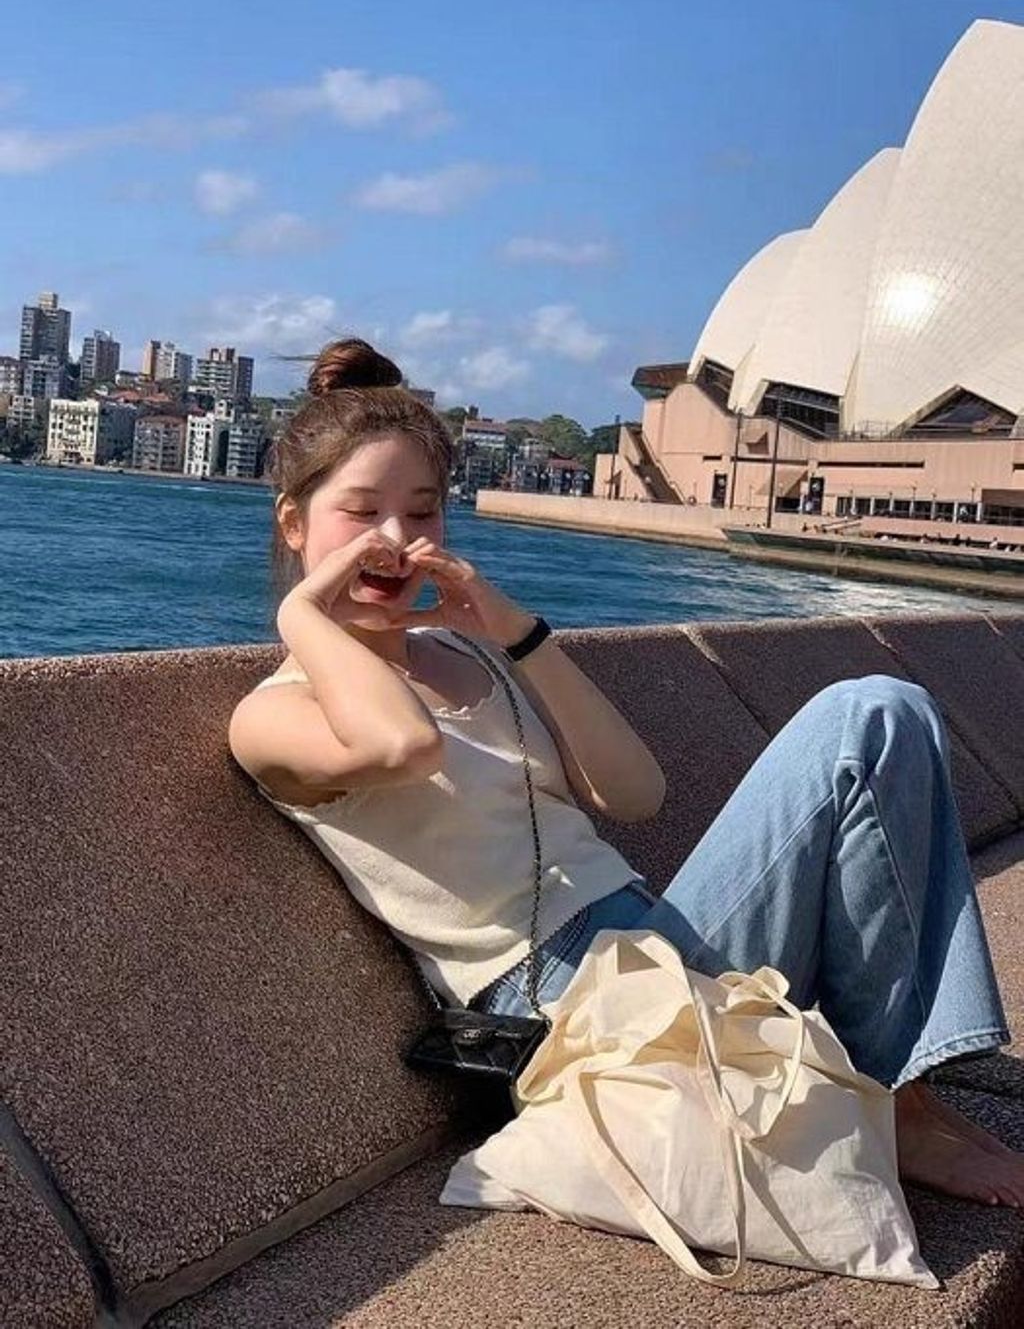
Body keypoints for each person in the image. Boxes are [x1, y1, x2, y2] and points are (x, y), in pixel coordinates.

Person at [230, 338, 1024, 1210]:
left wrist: (515, 634)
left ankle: (901, 1092)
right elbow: (403, 746)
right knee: (864, 717)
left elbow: (635, 794)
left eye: (422, 512)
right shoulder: (274, 715)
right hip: (567, 1007)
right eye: (361, 512)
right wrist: (304, 613)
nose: (395, 540)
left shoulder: (472, 656)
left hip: (649, 945)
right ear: (293, 523)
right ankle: (896, 1103)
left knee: (887, 709)